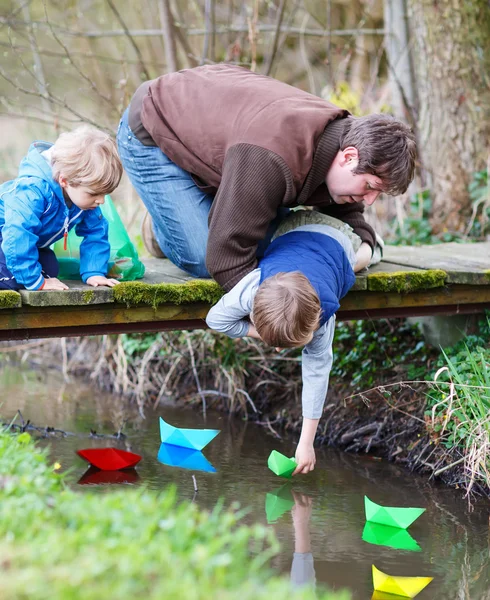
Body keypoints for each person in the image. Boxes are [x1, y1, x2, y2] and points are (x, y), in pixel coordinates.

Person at [117, 63, 416, 292]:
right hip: (153, 127)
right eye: (370, 187)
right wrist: (272, 313)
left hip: (225, 135)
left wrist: (361, 246)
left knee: (271, 235)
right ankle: (160, 227)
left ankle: (205, 207)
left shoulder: (343, 143)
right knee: (202, 253)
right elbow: (226, 262)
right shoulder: (271, 156)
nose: (369, 199)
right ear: (349, 156)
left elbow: (346, 215)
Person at [206, 210, 363, 475]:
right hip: (290, 227)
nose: (279, 351)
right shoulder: (253, 288)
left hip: (338, 237)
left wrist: (306, 443)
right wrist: (260, 333)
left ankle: (375, 245)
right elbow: (215, 319)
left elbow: (316, 372)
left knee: (362, 260)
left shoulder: (323, 313)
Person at [0, 126, 123, 291]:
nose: (101, 200)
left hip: (27, 244)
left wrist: (94, 272)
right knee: (15, 280)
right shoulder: (33, 191)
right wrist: (36, 281)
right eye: (95, 193)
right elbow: (18, 233)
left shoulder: (83, 197)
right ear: (64, 180)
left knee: (51, 269)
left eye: (104, 194)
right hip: (8, 237)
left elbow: (96, 231)